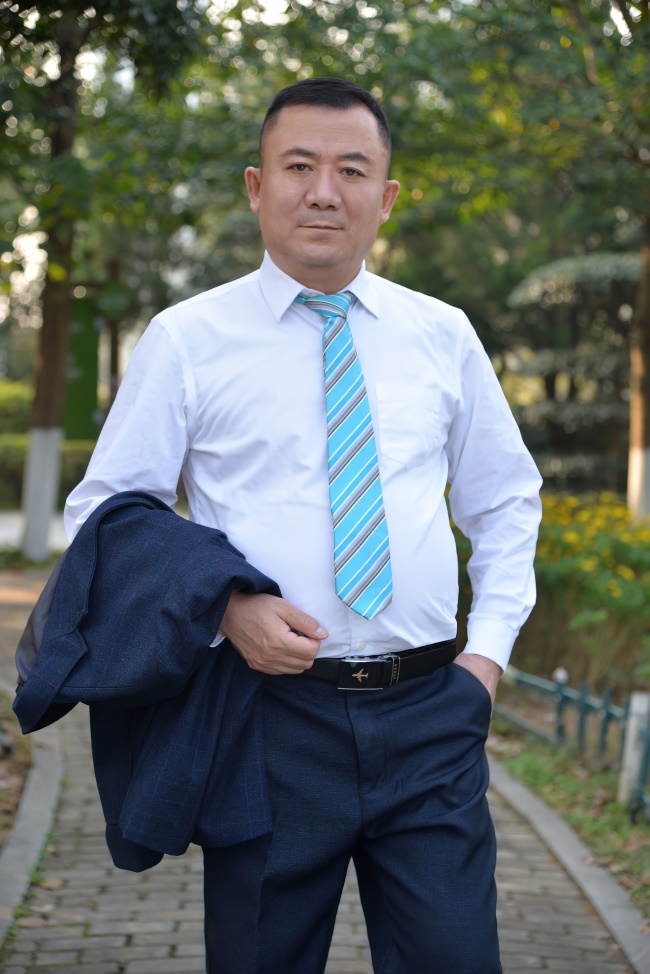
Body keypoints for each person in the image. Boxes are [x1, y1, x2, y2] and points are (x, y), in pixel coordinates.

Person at [65, 77, 542, 974]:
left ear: (385, 197)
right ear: (257, 187)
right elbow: (106, 516)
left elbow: (506, 501)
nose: (325, 191)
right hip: (268, 721)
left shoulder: (442, 334)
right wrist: (223, 609)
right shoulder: (187, 339)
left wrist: (484, 664)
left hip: (432, 717)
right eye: (299, 167)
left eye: (351, 171)